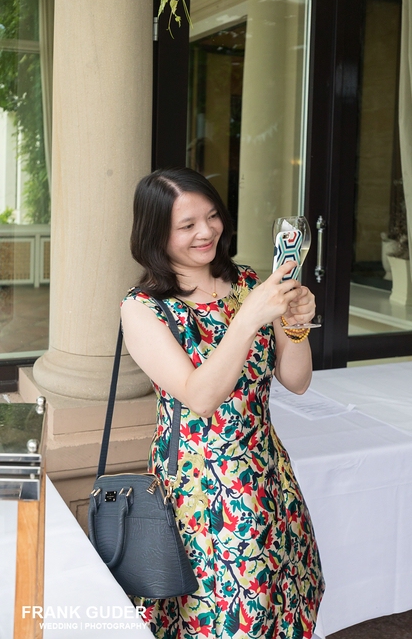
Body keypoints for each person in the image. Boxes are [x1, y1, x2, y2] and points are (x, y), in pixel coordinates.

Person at [121, 167, 324, 639]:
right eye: (187, 224)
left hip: (267, 472)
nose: (207, 231)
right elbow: (200, 397)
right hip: (200, 491)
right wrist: (250, 317)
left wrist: (293, 323)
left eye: (212, 217)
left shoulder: (250, 281)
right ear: (155, 232)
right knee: (225, 616)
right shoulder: (144, 307)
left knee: (282, 603)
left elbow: (296, 380)